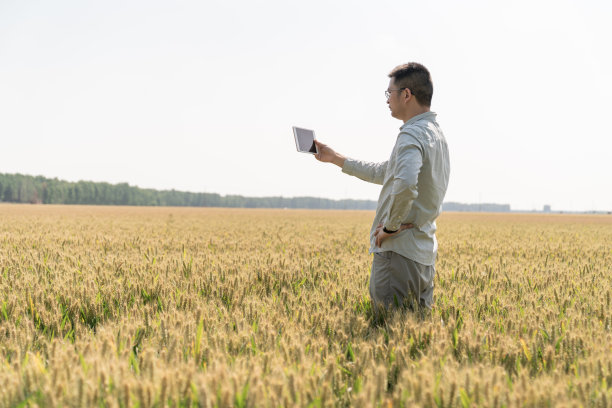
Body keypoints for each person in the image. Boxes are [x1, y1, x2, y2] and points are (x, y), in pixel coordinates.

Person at [314, 62, 450, 312]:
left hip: (398, 253)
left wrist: (390, 227)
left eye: (390, 93)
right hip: (423, 253)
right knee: (415, 337)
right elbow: (385, 173)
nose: (387, 100)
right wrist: (335, 158)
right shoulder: (435, 134)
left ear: (406, 95)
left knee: (387, 333)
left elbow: (406, 184)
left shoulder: (411, 134)